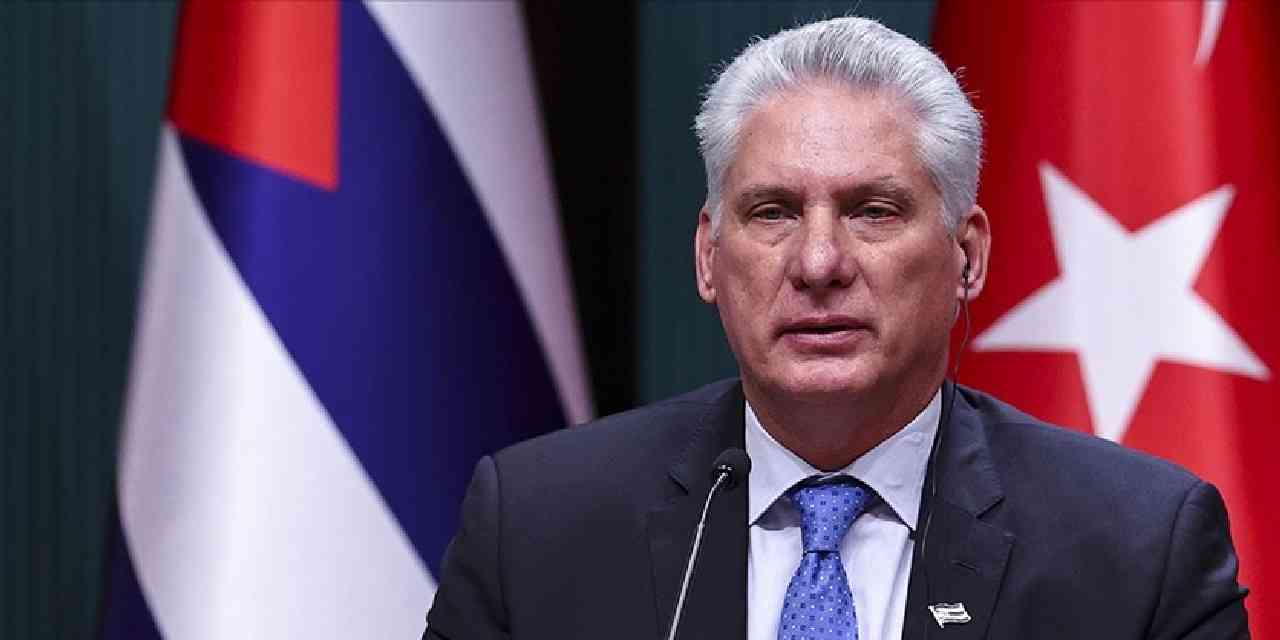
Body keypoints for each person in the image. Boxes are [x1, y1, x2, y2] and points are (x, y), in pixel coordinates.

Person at [424, 16, 1248, 640]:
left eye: (873, 211)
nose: (819, 262)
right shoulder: (535, 529)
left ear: (966, 257)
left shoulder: (1140, 550)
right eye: (773, 212)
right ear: (709, 259)